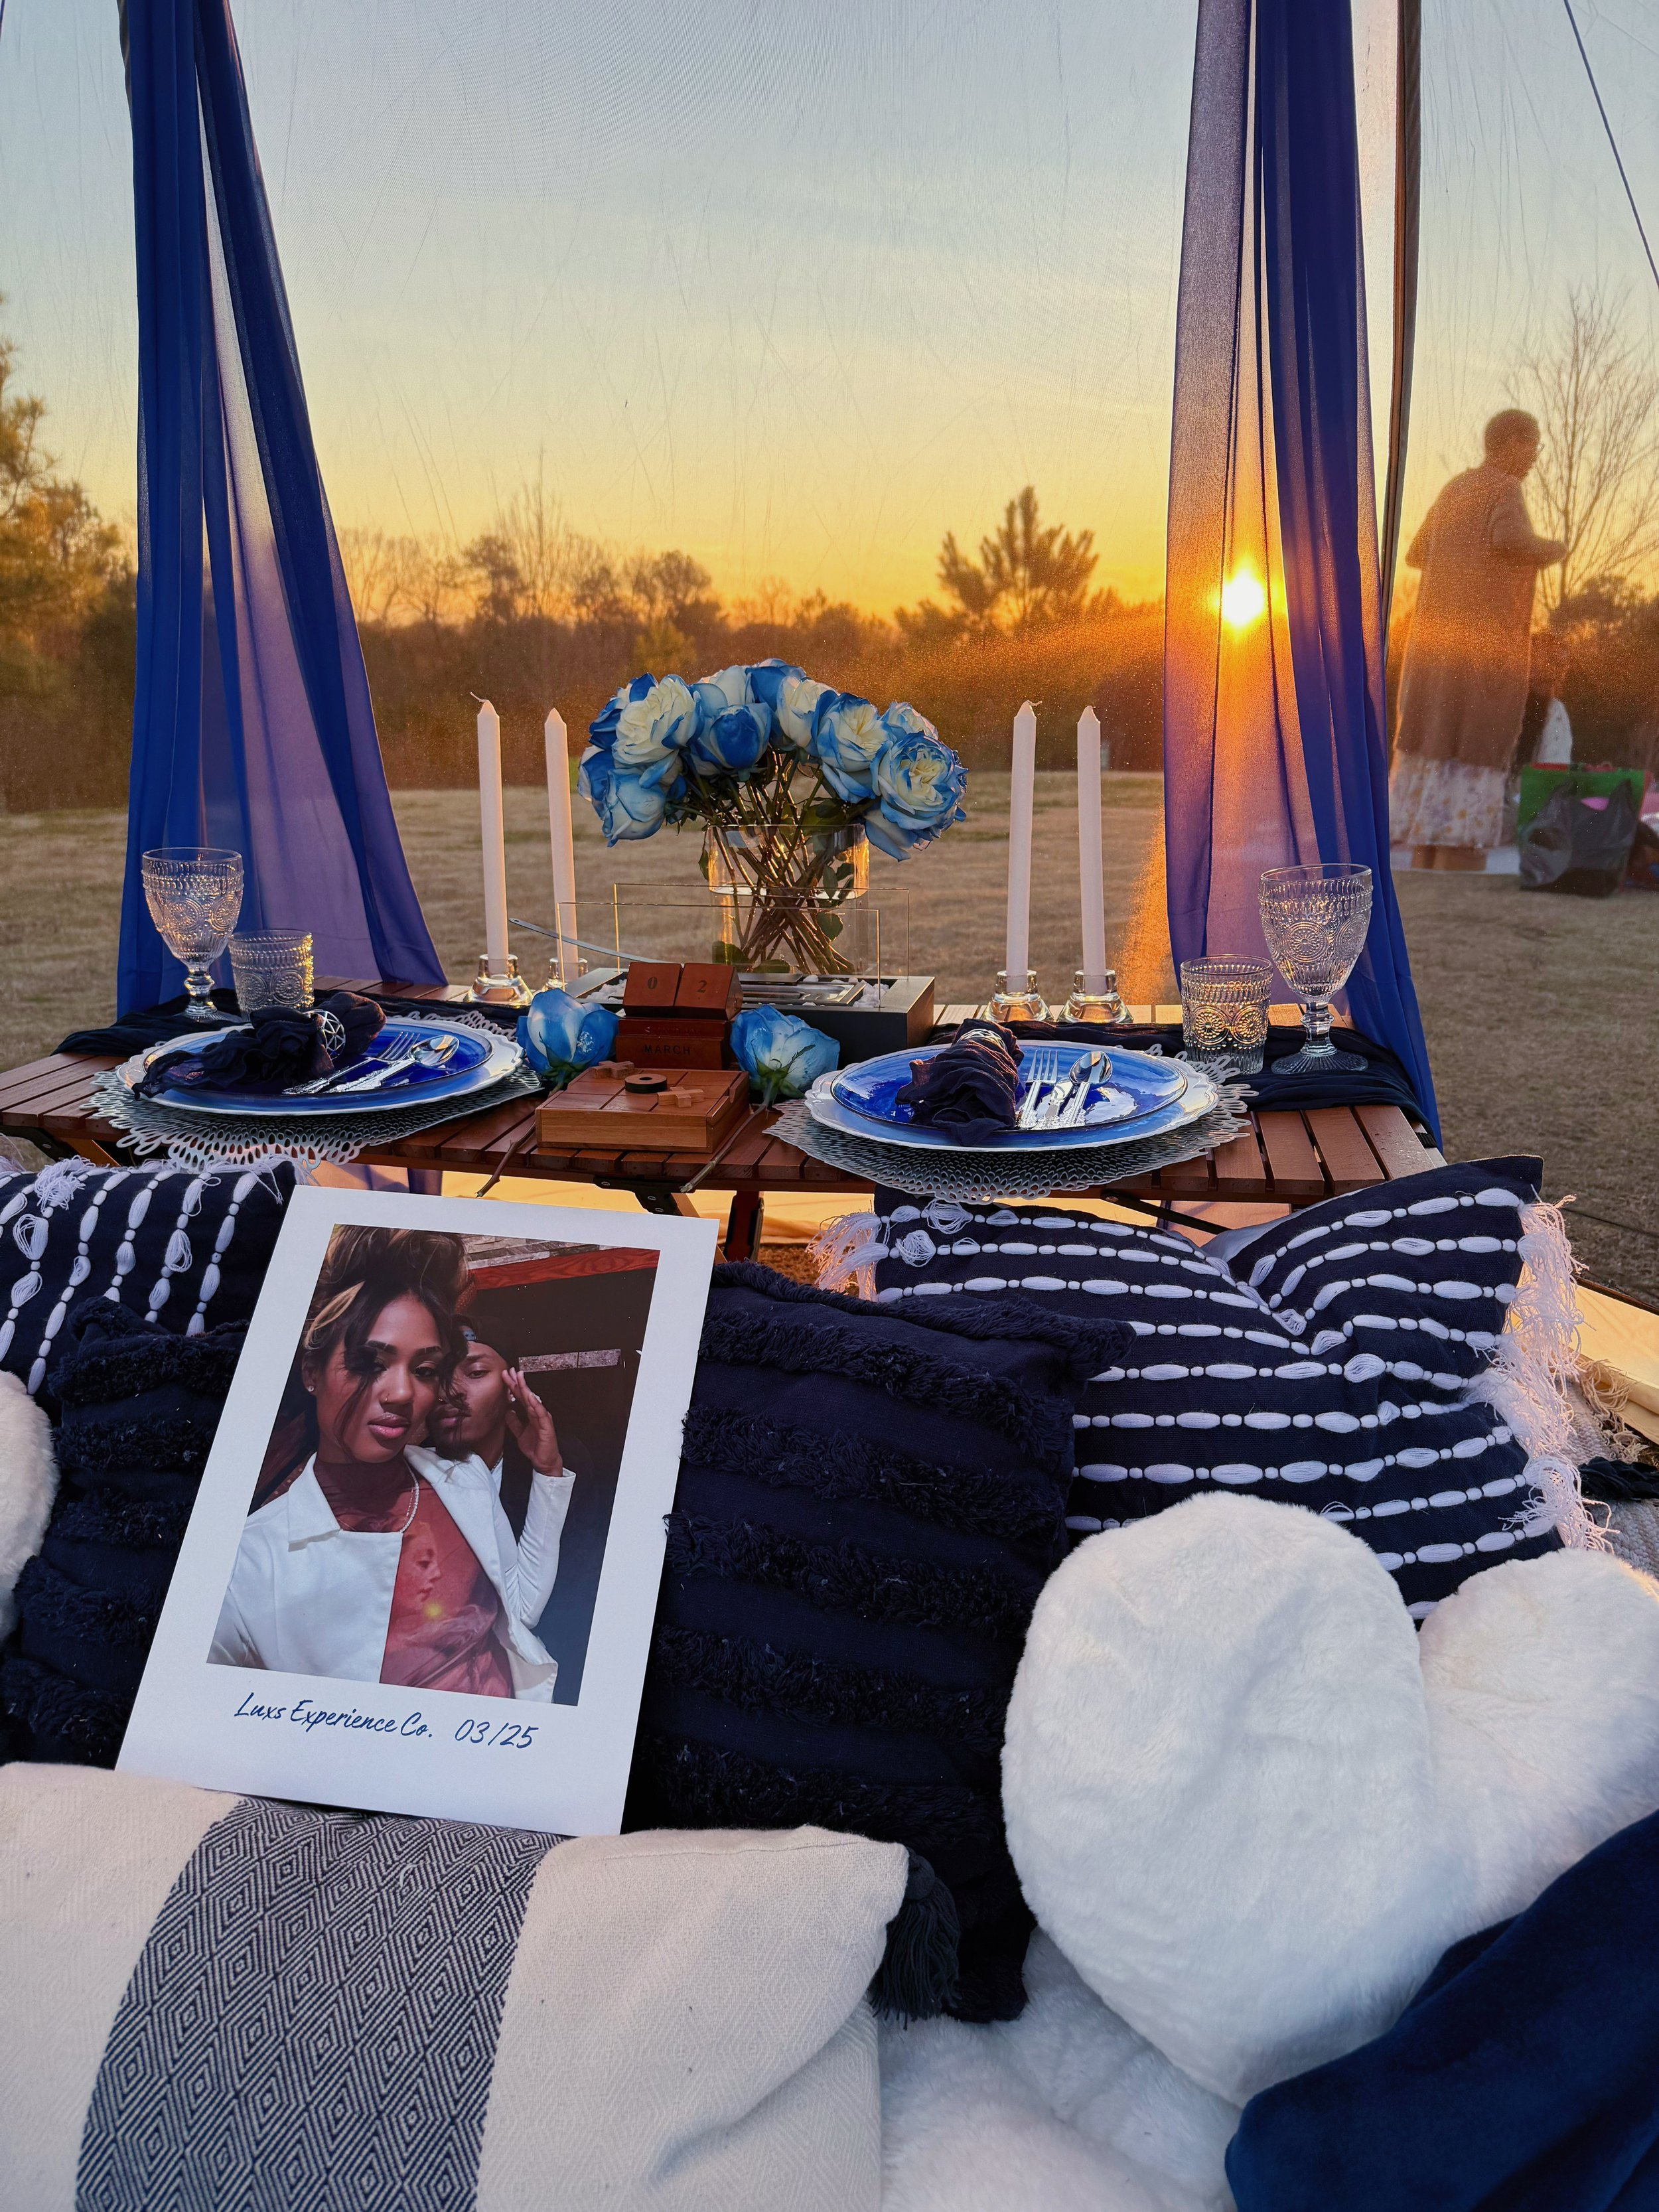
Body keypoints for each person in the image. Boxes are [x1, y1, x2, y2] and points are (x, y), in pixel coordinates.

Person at [212, 1228, 571, 1700]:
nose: (402, 1393)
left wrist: (548, 1473)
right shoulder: (247, 1566)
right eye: (369, 1362)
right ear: (311, 1372)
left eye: (423, 1370)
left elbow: (520, 1610)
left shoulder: (463, 1481)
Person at [1391, 409, 1566, 870]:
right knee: (1461, 840)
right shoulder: (1504, 487)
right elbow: (1509, 538)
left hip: (1433, 669)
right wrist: (1556, 549)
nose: (1534, 459)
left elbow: (1414, 553)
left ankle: (1433, 921)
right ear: (1511, 443)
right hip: (1476, 672)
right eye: (1533, 446)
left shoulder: (1455, 489)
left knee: (1428, 835)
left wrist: (1459, 563)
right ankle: (1456, 913)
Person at [433, 1323, 578, 1542]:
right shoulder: (409, 1472)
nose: (450, 1391)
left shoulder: (565, 1461)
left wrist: (548, 1473)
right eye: (434, 1375)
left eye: (476, 1372)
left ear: (512, 1387)